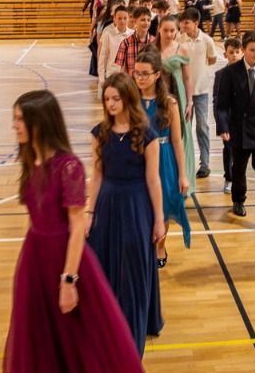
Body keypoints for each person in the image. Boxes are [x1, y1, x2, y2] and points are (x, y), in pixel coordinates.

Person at [4, 89, 142, 373]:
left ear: (39, 122)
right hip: (35, 258)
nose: (14, 125)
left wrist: (68, 280)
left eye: (20, 119)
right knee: (40, 341)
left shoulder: (68, 166)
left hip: (64, 259)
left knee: (78, 342)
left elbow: (77, 227)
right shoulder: (30, 161)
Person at [86, 73, 164, 358]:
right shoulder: (99, 133)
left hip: (136, 206)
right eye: (107, 99)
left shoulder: (147, 136)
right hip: (107, 204)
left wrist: (158, 220)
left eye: (116, 98)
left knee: (133, 272)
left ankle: (131, 338)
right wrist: (89, 212)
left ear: (128, 98)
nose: (110, 104)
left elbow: (153, 179)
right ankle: (107, 328)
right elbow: (96, 174)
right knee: (104, 266)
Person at [216, 30, 255, 227]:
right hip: (239, 128)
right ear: (243, 49)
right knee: (239, 168)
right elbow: (222, 104)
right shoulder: (229, 73)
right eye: (252, 50)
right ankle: (238, 200)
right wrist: (223, 127)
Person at [134, 52, 191, 267]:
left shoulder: (170, 103)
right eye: (137, 73)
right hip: (139, 158)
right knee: (141, 206)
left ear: (157, 75)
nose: (140, 78)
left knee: (162, 206)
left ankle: (160, 246)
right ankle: (144, 246)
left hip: (164, 158)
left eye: (145, 74)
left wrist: (183, 174)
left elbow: (177, 140)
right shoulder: (131, 101)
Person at [153, 14, 196, 195]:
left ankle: (184, 182)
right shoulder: (151, 50)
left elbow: (187, 78)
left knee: (181, 137)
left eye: (173, 31)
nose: (169, 34)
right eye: (166, 30)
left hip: (179, 96)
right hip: (158, 95)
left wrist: (190, 102)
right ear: (159, 30)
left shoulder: (182, 49)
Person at [179, 8, 218, 179]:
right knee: (184, 128)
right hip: (183, 91)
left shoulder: (207, 40)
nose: (183, 25)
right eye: (182, 22)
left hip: (201, 91)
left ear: (196, 23)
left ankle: (205, 164)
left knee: (202, 126)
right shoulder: (179, 40)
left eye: (186, 22)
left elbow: (212, 59)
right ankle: (185, 163)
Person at [213, 36, 244, 194]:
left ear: (242, 52)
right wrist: (221, 125)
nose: (234, 55)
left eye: (237, 52)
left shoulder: (248, 72)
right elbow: (217, 102)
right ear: (225, 54)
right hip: (229, 122)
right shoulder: (220, 74)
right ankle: (229, 178)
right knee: (229, 149)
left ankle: (241, 179)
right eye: (231, 52)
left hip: (245, 122)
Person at [98, 5, 133, 94]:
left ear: (128, 18)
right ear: (114, 18)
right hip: (112, 75)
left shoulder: (133, 34)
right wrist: (102, 78)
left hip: (128, 76)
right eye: (119, 18)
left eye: (125, 18)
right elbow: (103, 57)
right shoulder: (108, 34)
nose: (122, 21)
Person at [114, 6, 154, 75]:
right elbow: (122, 70)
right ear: (135, 21)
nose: (146, 23)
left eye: (148, 20)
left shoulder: (154, 42)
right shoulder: (125, 43)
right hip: (131, 81)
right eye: (143, 20)